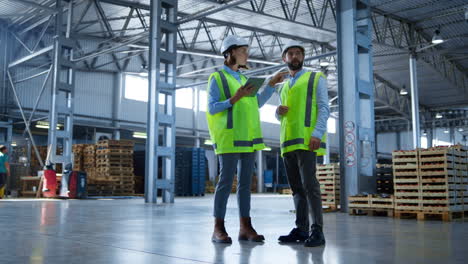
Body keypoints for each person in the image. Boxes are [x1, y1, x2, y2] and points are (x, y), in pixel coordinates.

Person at [206, 35, 286, 243]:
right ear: (230, 52)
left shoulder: (242, 79)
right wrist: (235, 98)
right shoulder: (218, 78)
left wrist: (270, 84)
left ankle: (245, 227)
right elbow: (213, 107)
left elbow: (256, 103)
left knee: (244, 184)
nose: (246, 54)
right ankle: (218, 228)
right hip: (229, 137)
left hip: (248, 138)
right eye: (243, 51)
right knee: (224, 182)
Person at [270, 41, 330, 247]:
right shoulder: (283, 86)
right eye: (291, 54)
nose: (295, 57)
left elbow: (324, 108)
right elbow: (285, 115)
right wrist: (277, 113)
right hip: (287, 142)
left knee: (310, 186)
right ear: (284, 58)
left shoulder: (315, 78)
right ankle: (302, 229)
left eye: (298, 54)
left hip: (307, 141)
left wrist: (317, 133)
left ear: (303, 58)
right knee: (296, 188)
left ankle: (318, 231)